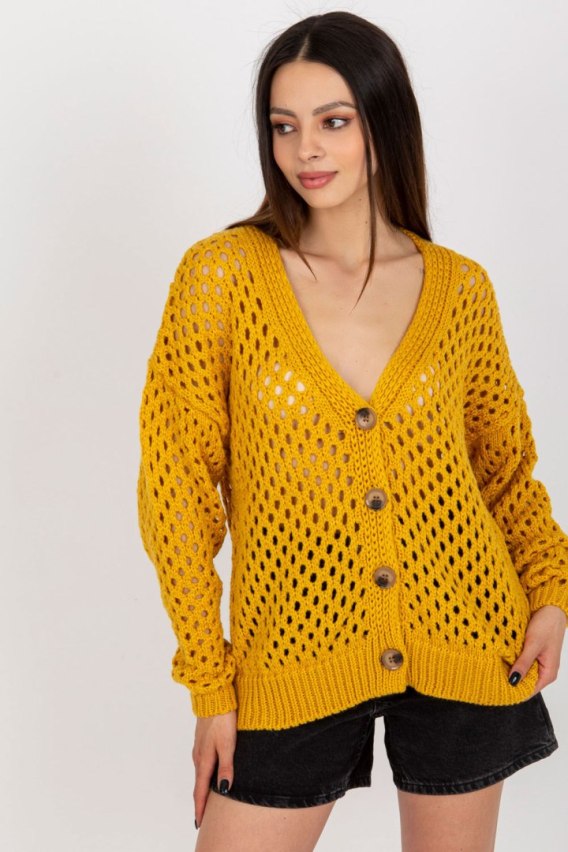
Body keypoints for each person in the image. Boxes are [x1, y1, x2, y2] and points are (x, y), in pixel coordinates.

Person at [136, 11, 568, 852]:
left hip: (467, 635)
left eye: (334, 121)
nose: (307, 150)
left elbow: (503, 471)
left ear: (382, 122)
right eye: (284, 126)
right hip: (289, 650)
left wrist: (551, 591)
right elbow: (175, 489)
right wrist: (210, 685)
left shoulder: (459, 288)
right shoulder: (222, 277)